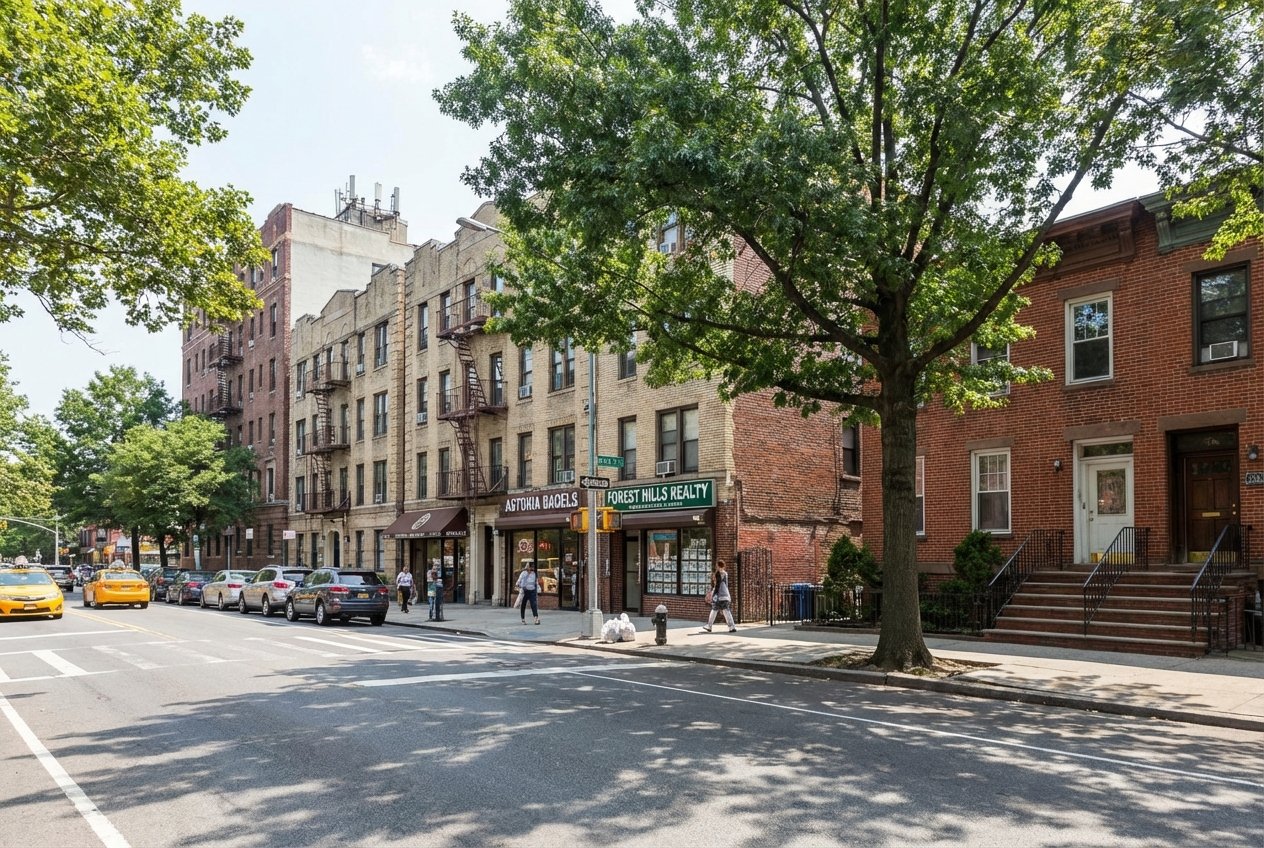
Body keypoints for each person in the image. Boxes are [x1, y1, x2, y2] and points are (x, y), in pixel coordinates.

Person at [702, 559, 737, 633]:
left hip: (718, 595)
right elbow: (726, 585)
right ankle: (732, 627)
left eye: (716, 565)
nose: (716, 567)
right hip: (725, 595)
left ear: (718, 566)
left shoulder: (718, 573)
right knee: (726, 611)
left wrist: (714, 594)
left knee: (714, 610)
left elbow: (717, 585)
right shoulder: (725, 574)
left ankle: (709, 626)